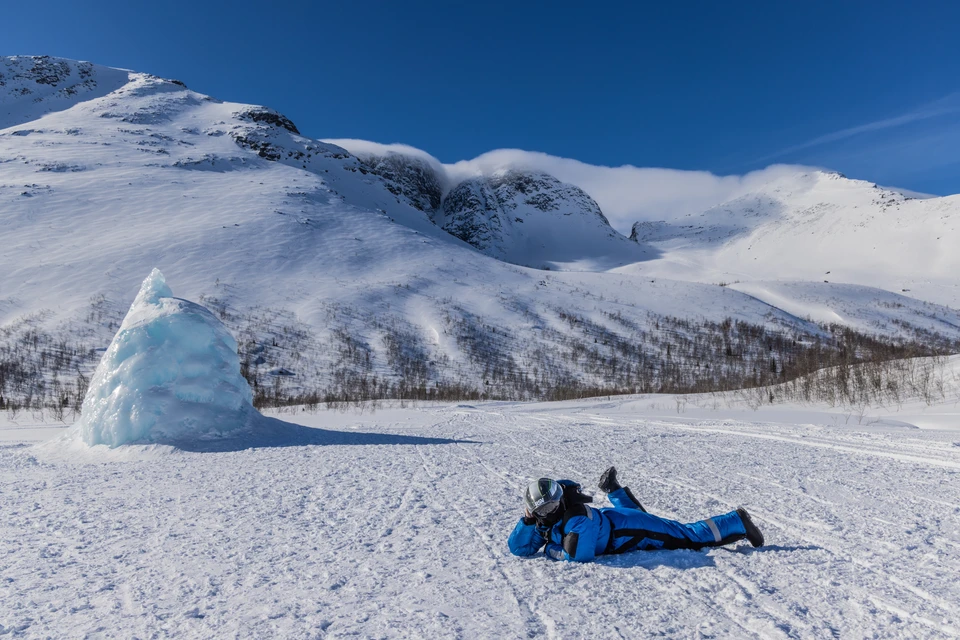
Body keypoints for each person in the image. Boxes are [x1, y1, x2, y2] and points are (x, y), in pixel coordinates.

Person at [508, 467, 764, 562]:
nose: (548, 512)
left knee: (687, 536)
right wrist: (528, 523)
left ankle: (736, 520)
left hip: (626, 531)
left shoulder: (577, 520)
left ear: (560, 500)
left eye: (552, 505)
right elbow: (519, 549)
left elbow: (577, 555)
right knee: (639, 518)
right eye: (542, 510)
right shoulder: (546, 518)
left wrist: (549, 548)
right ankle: (614, 490)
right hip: (615, 522)